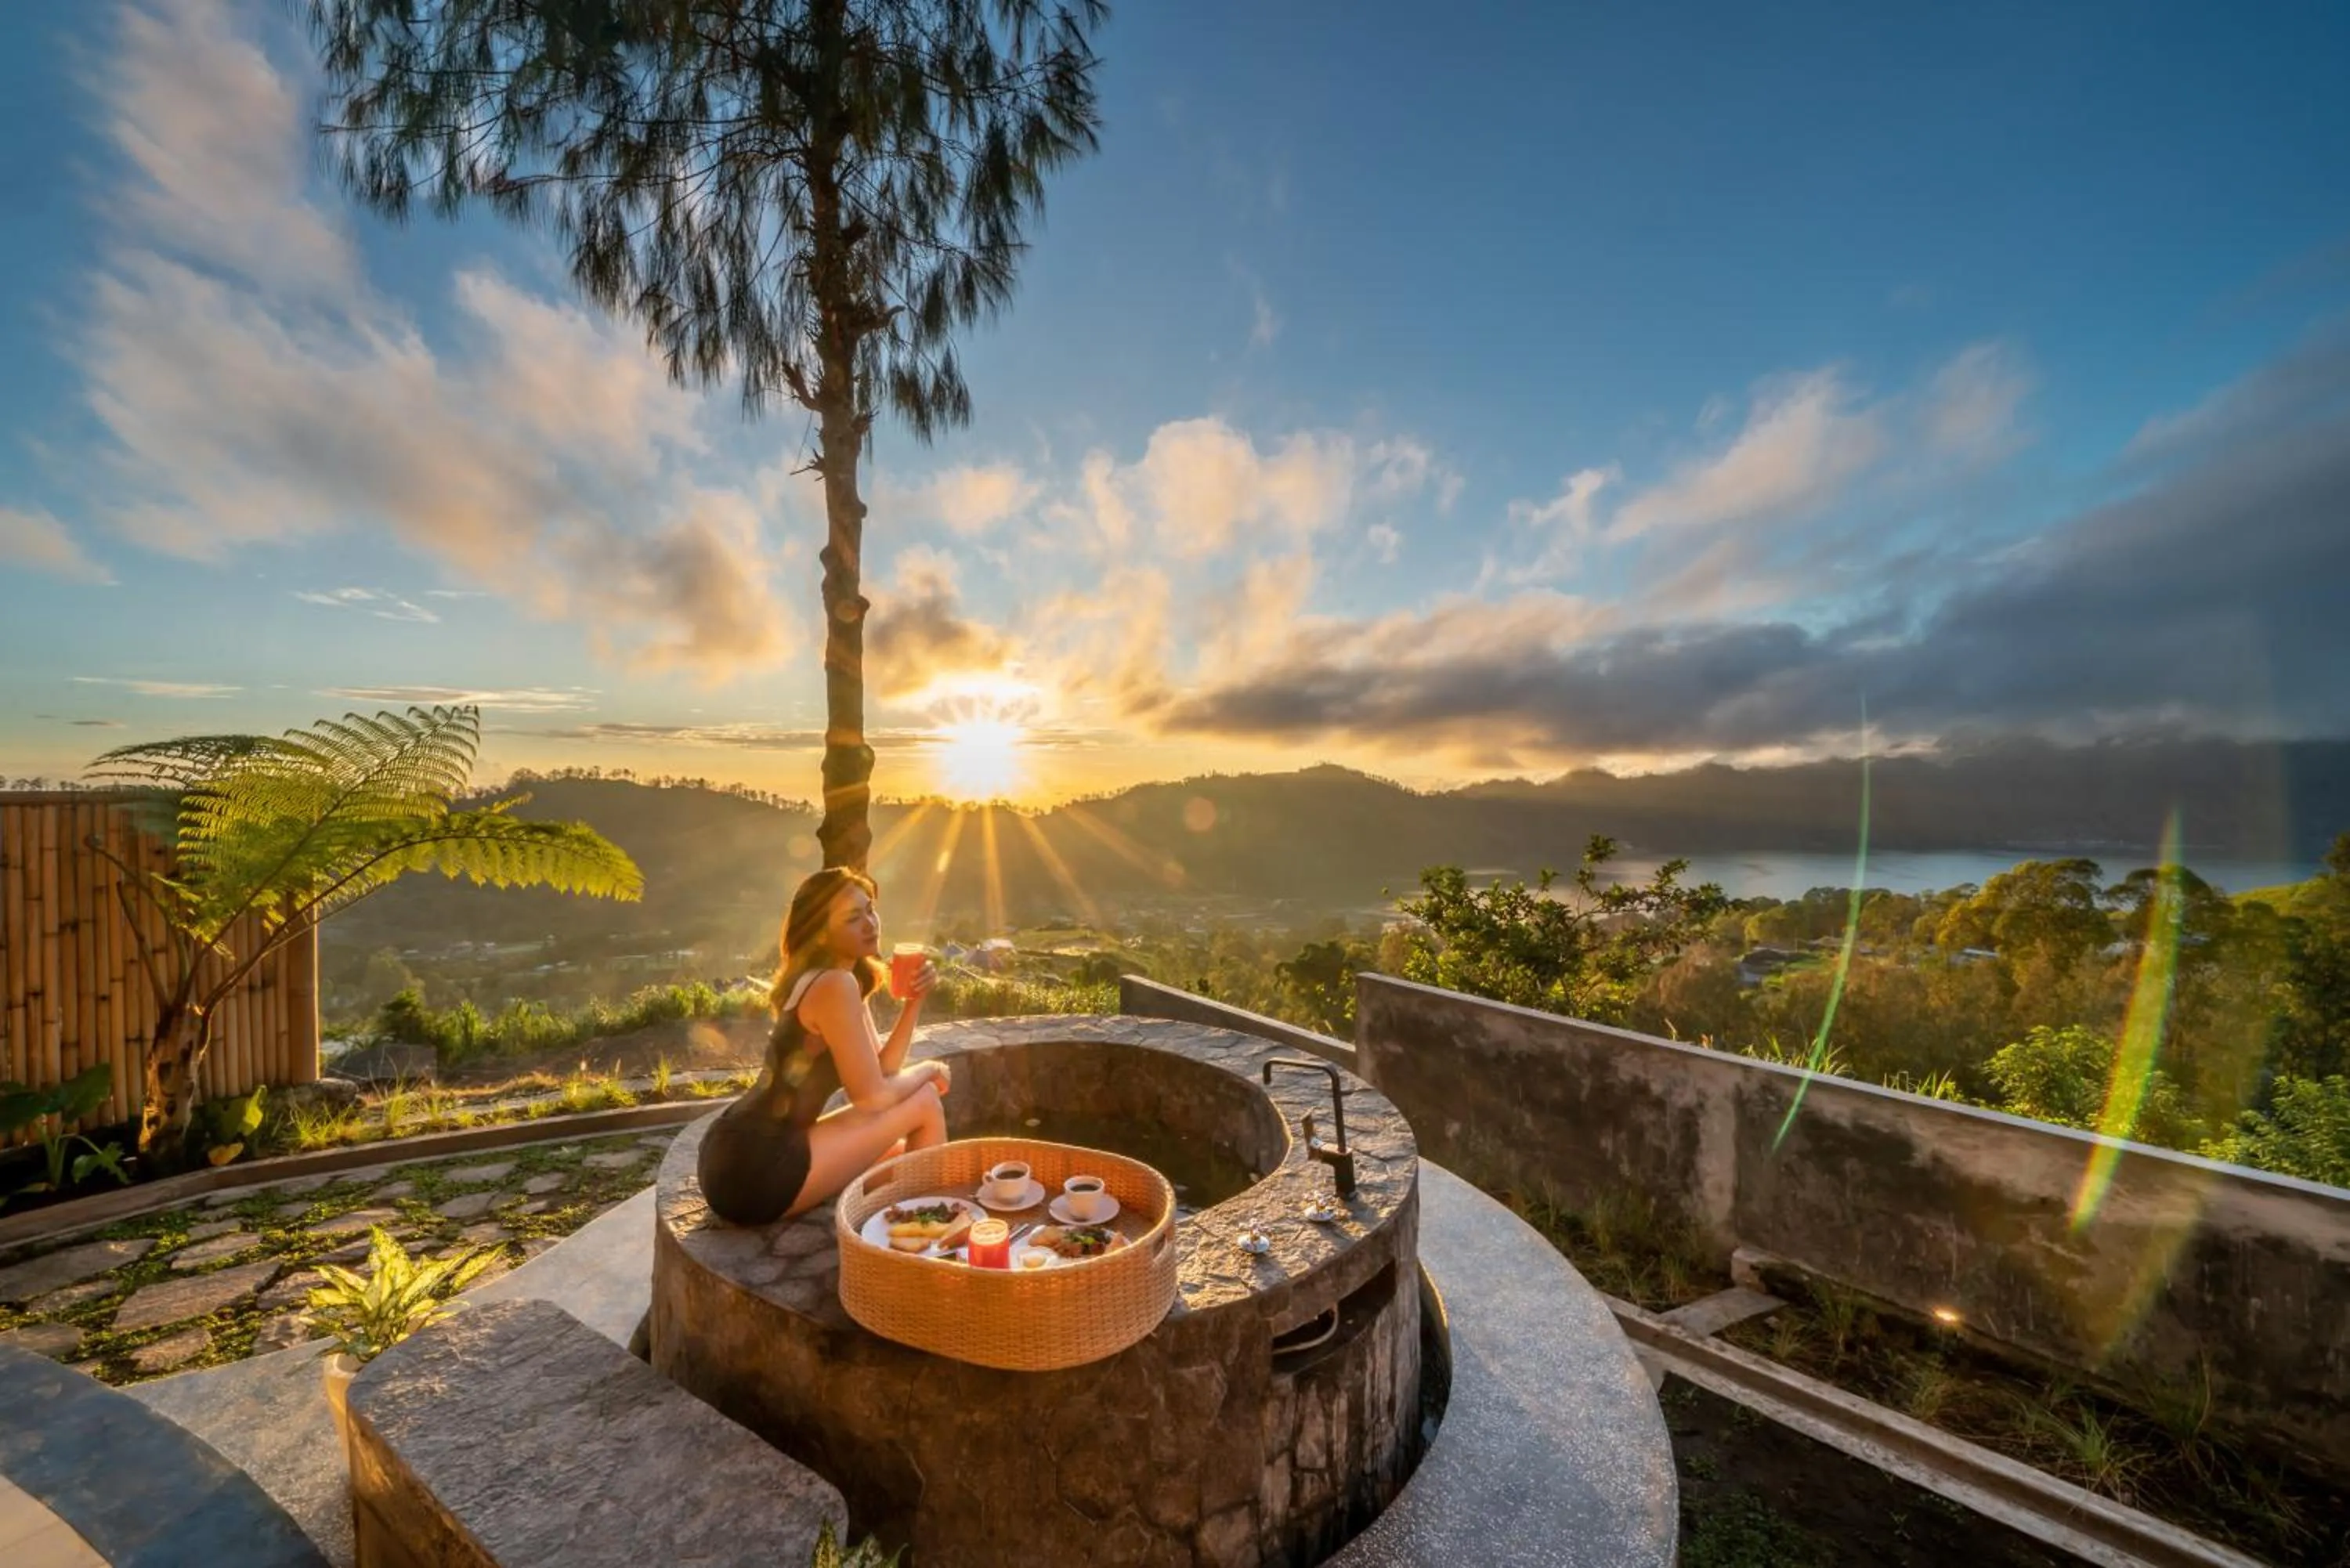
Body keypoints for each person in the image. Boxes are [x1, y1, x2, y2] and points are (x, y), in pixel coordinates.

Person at [696, 867, 950, 1226]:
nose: (870, 924)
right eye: (852, 918)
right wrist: (931, 1069)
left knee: (897, 1157)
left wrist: (914, 1002)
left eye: (869, 909)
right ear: (821, 933)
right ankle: (924, 1232)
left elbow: (883, 1072)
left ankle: (908, 1220)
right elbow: (872, 1098)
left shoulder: (839, 978)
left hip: (732, 1153)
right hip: (757, 1169)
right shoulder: (834, 985)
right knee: (925, 1100)